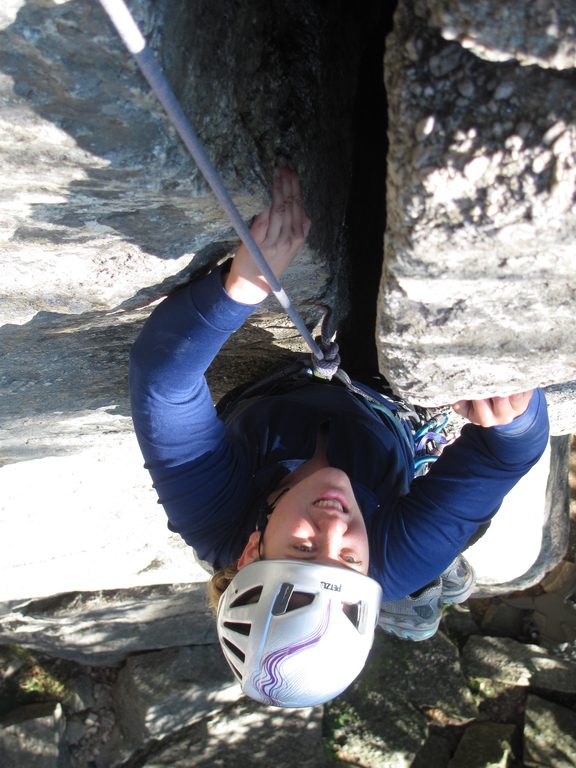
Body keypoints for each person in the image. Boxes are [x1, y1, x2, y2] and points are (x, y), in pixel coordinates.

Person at [129, 163, 550, 708]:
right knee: (422, 591)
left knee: (420, 606)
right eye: (348, 559)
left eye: (304, 546)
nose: (334, 525)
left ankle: (430, 600)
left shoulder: (211, 514)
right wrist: (514, 415)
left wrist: (239, 288)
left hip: (290, 397)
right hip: (393, 432)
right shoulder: (392, 564)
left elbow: (162, 383)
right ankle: (436, 592)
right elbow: (504, 458)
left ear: (253, 545)